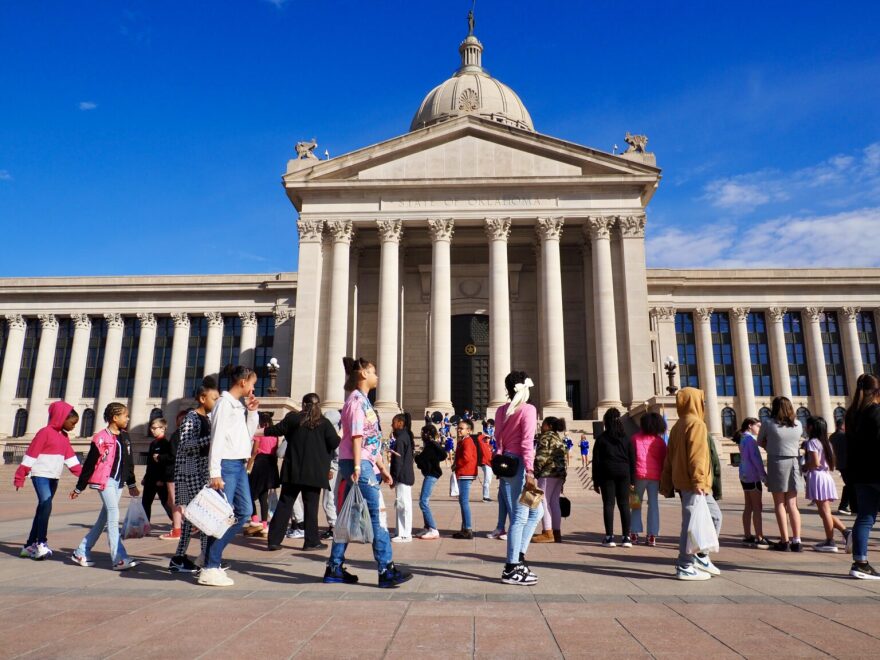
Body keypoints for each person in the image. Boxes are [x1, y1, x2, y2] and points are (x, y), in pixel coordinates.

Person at [324, 357, 412, 587]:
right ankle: (386, 569)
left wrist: (382, 467)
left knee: (348, 516)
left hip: (363, 463)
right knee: (377, 516)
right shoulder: (355, 402)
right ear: (363, 374)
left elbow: (370, 440)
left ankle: (334, 567)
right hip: (359, 465)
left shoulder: (363, 401)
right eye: (373, 371)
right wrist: (356, 466)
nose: (377, 376)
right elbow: (356, 436)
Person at [200, 364, 261, 587]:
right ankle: (210, 566)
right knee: (224, 516)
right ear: (243, 382)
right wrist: (214, 471)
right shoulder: (224, 404)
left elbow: (246, 435)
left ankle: (208, 557)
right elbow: (216, 438)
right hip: (226, 465)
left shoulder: (236, 405)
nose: (253, 387)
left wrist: (252, 412)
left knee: (244, 511)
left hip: (238, 463)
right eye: (252, 383)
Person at [660, 387, 722, 581]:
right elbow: (698, 456)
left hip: (689, 481)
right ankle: (685, 564)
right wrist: (698, 481)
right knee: (690, 524)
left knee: (714, 516)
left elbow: (668, 458)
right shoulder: (696, 424)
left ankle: (701, 555)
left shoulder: (679, 425)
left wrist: (667, 482)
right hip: (694, 482)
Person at [265, 393, 341, 551]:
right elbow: (334, 443)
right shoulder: (324, 423)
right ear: (318, 405)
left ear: (303, 404)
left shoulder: (293, 419)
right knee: (311, 507)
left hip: (293, 470)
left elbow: (275, 430)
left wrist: (257, 430)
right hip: (314, 473)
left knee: (285, 504)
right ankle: (311, 541)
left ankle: (274, 540)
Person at [69, 402, 139, 571]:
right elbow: (90, 463)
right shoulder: (100, 437)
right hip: (104, 481)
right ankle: (118, 558)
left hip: (119, 482)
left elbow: (129, 462)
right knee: (114, 516)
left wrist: (132, 483)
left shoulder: (126, 437)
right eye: (125, 415)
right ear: (115, 418)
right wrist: (79, 487)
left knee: (103, 520)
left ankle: (81, 551)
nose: (128, 418)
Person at [14, 402, 82, 560]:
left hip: (54, 477)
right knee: (46, 504)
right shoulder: (44, 432)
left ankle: (28, 546)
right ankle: (41, 543)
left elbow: (72, 461)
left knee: (42, 510)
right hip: (40, 475)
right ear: (61, 418)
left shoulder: (64, 437)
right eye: (72, 423)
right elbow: (31, 454)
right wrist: (20, 476)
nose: (73, 427)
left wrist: (88, 477)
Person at [494, 370, 542, 586]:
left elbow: (498, 439)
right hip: (521, 466)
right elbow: (526, 443)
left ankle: (518, 558)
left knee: (537, 511)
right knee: (520, 517)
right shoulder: (528, 409)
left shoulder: (502, 410)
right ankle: (511, 567)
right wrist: (530, 472)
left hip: (507, 464)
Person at [168, 378, 219, 574]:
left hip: (200, 472)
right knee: (203, 518)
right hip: (190, 473)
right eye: (214, 398)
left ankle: (182, 558)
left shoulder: (206, 418)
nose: (216, 402)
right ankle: (205, 559)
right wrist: (212, 437)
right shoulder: (192, 417)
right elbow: (186, 444)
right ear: (202, 398)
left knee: (196, 519)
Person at [845, 374, 880, 579]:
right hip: (876, 471)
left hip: (860, 474)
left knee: (865, 518)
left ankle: (860, 563)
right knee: (866, 518)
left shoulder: (852, 414)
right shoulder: (875, 412)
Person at [758, 396, 804, 552]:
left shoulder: (768, 423)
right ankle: (797, 540)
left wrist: (770, 447)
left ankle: (784, 541)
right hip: (794, 461)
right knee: (792, 504)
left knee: (779, 503)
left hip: (777, 461)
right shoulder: (798, 424)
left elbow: (760, 441)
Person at [803, 416, 849, 552]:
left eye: (807, 425)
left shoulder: (812, 442)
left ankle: (830, 540)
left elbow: (815, 463)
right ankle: (846, 532)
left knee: (824, 512)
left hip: (817, 476)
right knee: (825, 512)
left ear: (811, 427)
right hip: (826, 476)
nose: (805, 427)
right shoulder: (826, 443)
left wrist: (805, 466)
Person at [592, 408, 636, 548]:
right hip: (624, 473)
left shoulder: (601, 438)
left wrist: (596, 481)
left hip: (607, 473)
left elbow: (596, 461)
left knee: (609, 504)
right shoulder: (627, 438)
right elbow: (632, 460)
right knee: (624, 505)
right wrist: (633, 480)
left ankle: (609, 537)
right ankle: (626, 537)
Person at [630, 412, 667, 547]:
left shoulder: (634, 439)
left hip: (637, 476)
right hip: (655, 477)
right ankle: (652, 535)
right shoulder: (660, 441)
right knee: (653, 505)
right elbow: (664, 461)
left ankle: (633, 533)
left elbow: (631, 458)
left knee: (635, 504)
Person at [734, 417, 770, 549]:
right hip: (753, 476)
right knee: (757, 507)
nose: (759, 429)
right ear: (750, 426)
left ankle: (747, 535)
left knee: (748, 506)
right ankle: (759, 536)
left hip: (744, 474)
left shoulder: (742, 438)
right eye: (758, 426)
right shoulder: (750, 440)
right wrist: (764, 476)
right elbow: (756, 459)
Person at [531, 416, 567, 544]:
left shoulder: (546, 437)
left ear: (549, 426)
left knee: (544, 502)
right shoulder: (558, 438)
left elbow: (541, 457)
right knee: (554, 502)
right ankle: (556, 533)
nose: (541, 427)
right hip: (559, 474)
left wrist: (535, 472)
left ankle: (547, 532)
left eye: (544, 424)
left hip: (547, 473)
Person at [244, 412, 280, 537]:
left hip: (260, 463)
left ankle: (254, 520)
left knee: (249, 492)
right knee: (263, 496)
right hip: (271, 464)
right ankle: (265, 525)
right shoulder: (275, 435)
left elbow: (254, 451)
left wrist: (248, 467)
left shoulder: (260, 433)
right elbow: (275, 451)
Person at [452, 418, 488, 539]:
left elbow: (466, 458)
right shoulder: (464, 441)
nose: (459, 430)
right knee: (463, 501)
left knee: (464, 502)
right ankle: (464, 528)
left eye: (462, 428)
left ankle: (468, 529)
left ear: (469, 431)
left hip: (465, 473)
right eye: (458, 428)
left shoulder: (467, 442)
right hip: (465, 473)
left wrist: (457, 464)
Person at [160, 408, 191, 541]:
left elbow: (173, 455)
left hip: (174, 471)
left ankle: (178, 530)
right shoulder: (192, 434)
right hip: (186, 470)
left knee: (175, 502)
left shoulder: (178, 434)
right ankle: (186, 525)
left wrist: (160, 457)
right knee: (172, 500)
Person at [414, 424, 446, 540]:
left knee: (423, 502)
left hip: (431, 475)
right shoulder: (433, 444)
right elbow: (442, 455)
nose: (422, 435)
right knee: (423, 500)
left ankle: (433, 529)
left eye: (423, 433)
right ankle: (427, 527)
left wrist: (416, 457)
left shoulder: (430, 446)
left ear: (427, 433)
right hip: (431, 474)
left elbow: (422, 460)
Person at [390, 413, 415, 543]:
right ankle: (400, 531)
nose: (391, 425)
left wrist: (393, 478)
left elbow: (398, 461)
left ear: (400, 423)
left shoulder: (401, 439)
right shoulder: (405, 437)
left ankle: (405, 534)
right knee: (402, 504)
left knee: (403, 505)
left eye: (393, 422)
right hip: (405, 476)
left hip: (403, 477)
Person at [142, 417, 173, 523]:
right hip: (150, 478)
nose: (152, 430)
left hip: (160, 480)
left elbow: (165, 464)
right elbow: (150, 463)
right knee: (145, 502)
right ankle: (146, 524)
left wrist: (162, 479)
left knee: (165, 503)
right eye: (151, 428)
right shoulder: (153, 443)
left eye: (154, 428)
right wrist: (145, 477)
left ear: (163, 428)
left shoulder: (165, 444)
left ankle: (178, 522)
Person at [830, 418, 855, 516]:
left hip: (840, 464)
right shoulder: (844, 436)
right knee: (851, 485)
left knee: (849, 484)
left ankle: (846, 506)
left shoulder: (832, 436)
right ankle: (844, 506)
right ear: (843, 426)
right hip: (848, 464)